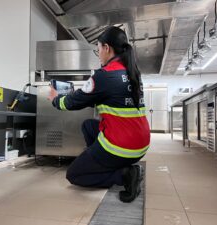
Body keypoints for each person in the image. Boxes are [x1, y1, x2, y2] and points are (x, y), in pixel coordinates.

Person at [48, 26, 150, 202]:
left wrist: (55, 99)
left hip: (122, 147)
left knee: (74, 174)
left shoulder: (105, 75)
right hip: (141, 143)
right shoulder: (133, 73)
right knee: (88, 126)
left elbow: (72, 102)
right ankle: (101, 162)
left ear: (107, 48)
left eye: (98, 50)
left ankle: (124, 175)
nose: (99, 54)